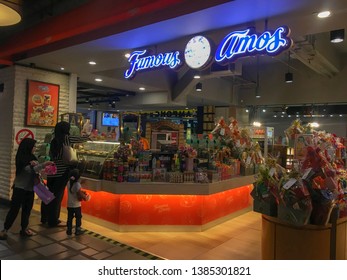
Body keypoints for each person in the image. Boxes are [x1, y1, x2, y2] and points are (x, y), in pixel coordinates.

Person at [0, 138, 53, 240]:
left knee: (27, 210)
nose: (35, 149)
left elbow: (35, 171)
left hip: (30, 188)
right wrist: (43, 165)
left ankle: (24, 229)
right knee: (14, 209)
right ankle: (5, 230)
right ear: (28, 147)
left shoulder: (32, 157)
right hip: (20, 188)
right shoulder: (21, 158)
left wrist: (45, 169)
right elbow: (28, 170)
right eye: (34, 147)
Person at [40, 121, 89, 227]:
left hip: (51, 171)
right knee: (57, 197)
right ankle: (53, 220)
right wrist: (89, 136)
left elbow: (52, 156)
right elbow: (80, 139)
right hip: (61, 172)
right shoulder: (66, 138)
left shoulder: (53, 140)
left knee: (47, 195)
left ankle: (44, 218)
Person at [66, 168, 89, 235]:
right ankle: (77, 230)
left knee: (70, 217)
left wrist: (81, 183)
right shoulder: (77, 185)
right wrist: (86, 197)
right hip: (76, 205)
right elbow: (79, 194)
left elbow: (75, 186)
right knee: (78, 217)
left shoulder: (69, 183)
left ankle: (69, 230)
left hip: (69, 204)